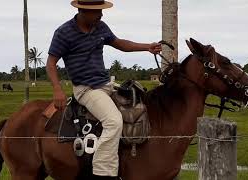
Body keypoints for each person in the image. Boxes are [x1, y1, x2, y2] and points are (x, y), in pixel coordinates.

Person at [46, 0, 162, 179]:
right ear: (82, 10)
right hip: (87, 89)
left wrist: (147, 47)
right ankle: (102, 173)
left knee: (138, 103)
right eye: (97, 11)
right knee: (113, 121)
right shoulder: (64, 32)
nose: (101, 14)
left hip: (105, 84)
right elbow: (51, 63)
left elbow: (120, 44)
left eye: (101, 10)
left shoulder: (100, 27)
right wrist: (57, 89)